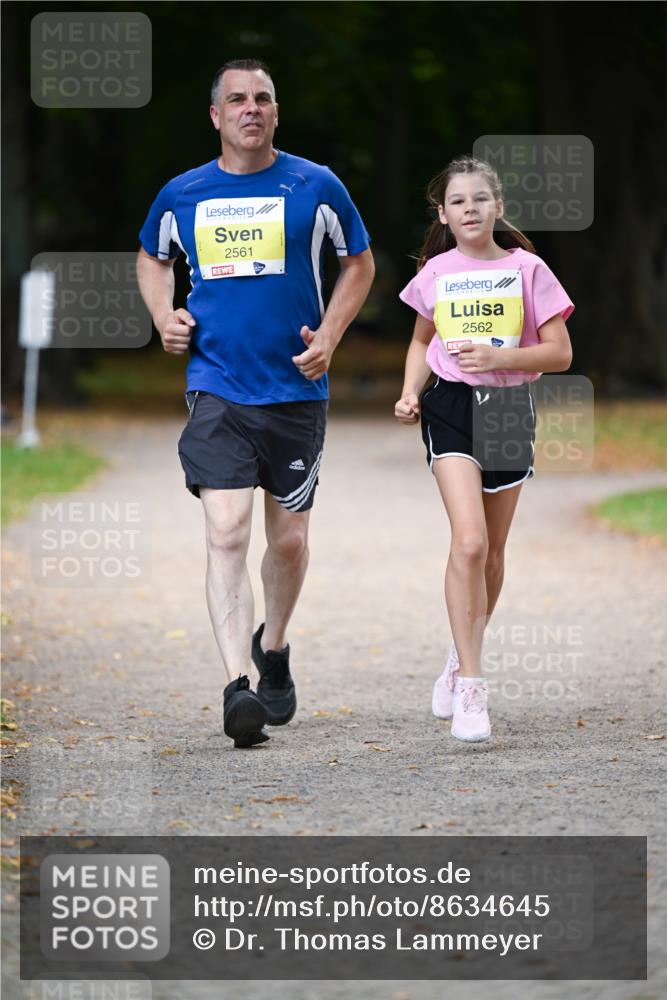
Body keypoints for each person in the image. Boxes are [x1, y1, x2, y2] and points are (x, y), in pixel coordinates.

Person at [137, 59, 374, 749]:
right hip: (217, 384)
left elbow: (357, 262)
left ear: (275, 113)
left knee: (289, 541)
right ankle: (238, 686)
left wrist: (329, 335)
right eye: (236, 99)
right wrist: (164, 315)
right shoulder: (184, 193)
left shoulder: (315, 185)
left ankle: (273, 645)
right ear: (216, 115)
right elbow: (152, 256)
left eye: (262, 99)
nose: (250, 108)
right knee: (226, 532)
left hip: (296, 389)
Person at [394, 155, 574, 744]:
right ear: (442, 214)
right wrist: (408, 392)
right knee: (467, 541)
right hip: (449, 407)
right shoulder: (436, 271)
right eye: (457, 202)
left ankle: (458, 650)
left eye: (479, 199)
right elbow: (423, 340)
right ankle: (472, 686)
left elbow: (560, 354)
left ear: (497, 206)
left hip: (507, 410)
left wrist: (503, 358)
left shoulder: (529, 269)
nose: (469, 209)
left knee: (493, 551)